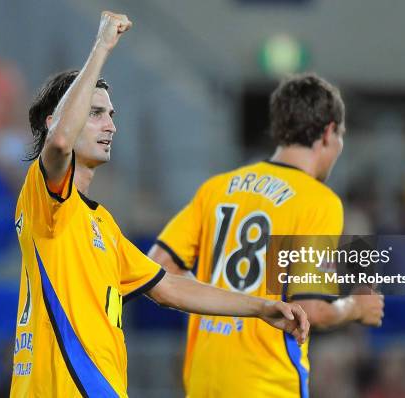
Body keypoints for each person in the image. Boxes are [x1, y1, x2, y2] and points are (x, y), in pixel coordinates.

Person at [10, 11, 309, 398]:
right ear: (57, 120)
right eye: (96, 113)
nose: (111, 126)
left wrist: (259, 308)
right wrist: (101, 46)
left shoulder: (101, 224)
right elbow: (60, 143)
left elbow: (168, 287)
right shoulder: (46, 199)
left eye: (111, 115)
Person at [148, 73, 385, 398]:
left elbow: (158, 268)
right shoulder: (317, 201)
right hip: (266, 382)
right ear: (329, 132)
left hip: (204, 379)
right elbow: (312, 310)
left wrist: (219, 295)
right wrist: (356, 307)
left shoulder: (217, 188)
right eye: (341, 135)